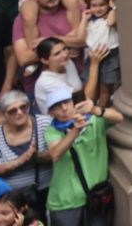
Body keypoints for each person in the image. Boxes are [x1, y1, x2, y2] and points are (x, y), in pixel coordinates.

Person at [41, 81, 120, 226]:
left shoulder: (94, 121)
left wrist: (96, 110)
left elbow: (118, 118)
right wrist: (75, 130)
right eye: (57, 106)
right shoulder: (52, 131)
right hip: (66, 203)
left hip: (95, 197)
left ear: (73, 102)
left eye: (66, 102)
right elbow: (55, 153)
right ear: (51, 113)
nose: (64, 108)